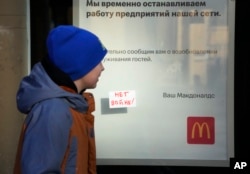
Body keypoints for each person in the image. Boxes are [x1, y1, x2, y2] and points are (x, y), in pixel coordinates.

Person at [13, 25, 107, 174]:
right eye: (97, 61)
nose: (102, 68)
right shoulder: (53, 110)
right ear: (79, 64)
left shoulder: (70, 105)